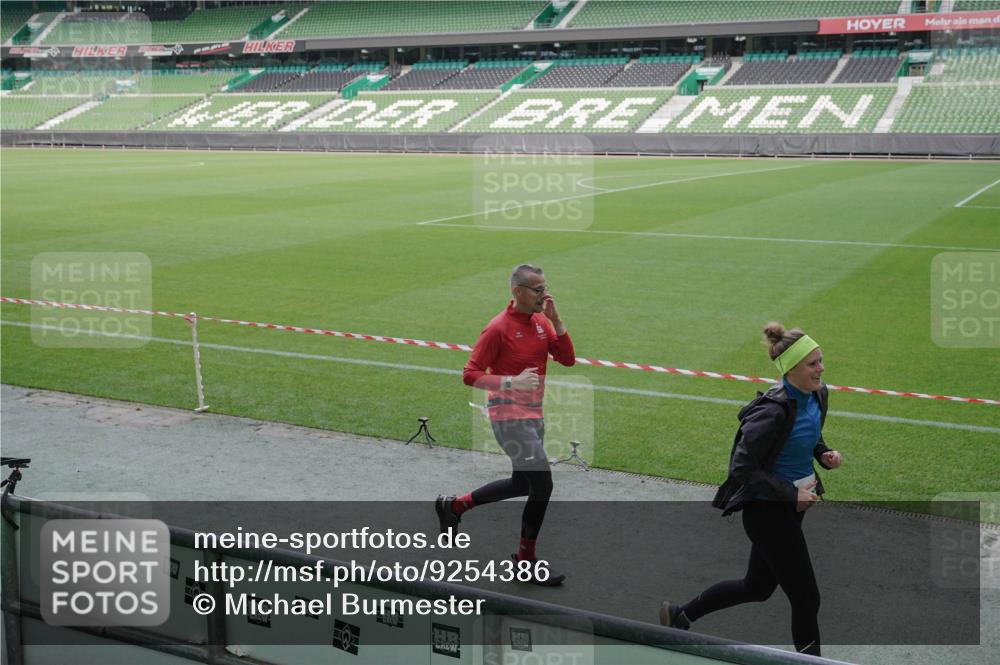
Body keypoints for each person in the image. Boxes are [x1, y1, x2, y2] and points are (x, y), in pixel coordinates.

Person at [660, 322, 844, 657]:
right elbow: (742, 467)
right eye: (813, 363)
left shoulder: (819, 394)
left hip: (792, 507)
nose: (821, 368)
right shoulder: (770, 412)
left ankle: (680, 615)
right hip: (766, 511)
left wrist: (823, 453)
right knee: (806, 597)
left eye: (821, 360)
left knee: (757, 587)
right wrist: (791, 493)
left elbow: (808, 432)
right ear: (791, 368)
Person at [436, 264, 575, 586]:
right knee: (543, 484)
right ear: (518, 292)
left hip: (534, 415)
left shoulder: (541, 322)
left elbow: (567, 359)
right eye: (538, 290)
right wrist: (511, 382)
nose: (545, 294)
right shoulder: (497, 328)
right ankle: (525, 562)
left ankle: (454, 506)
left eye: (545, 287)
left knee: (523, 484)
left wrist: (556, 320)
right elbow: (469, 375)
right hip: (508, 417)